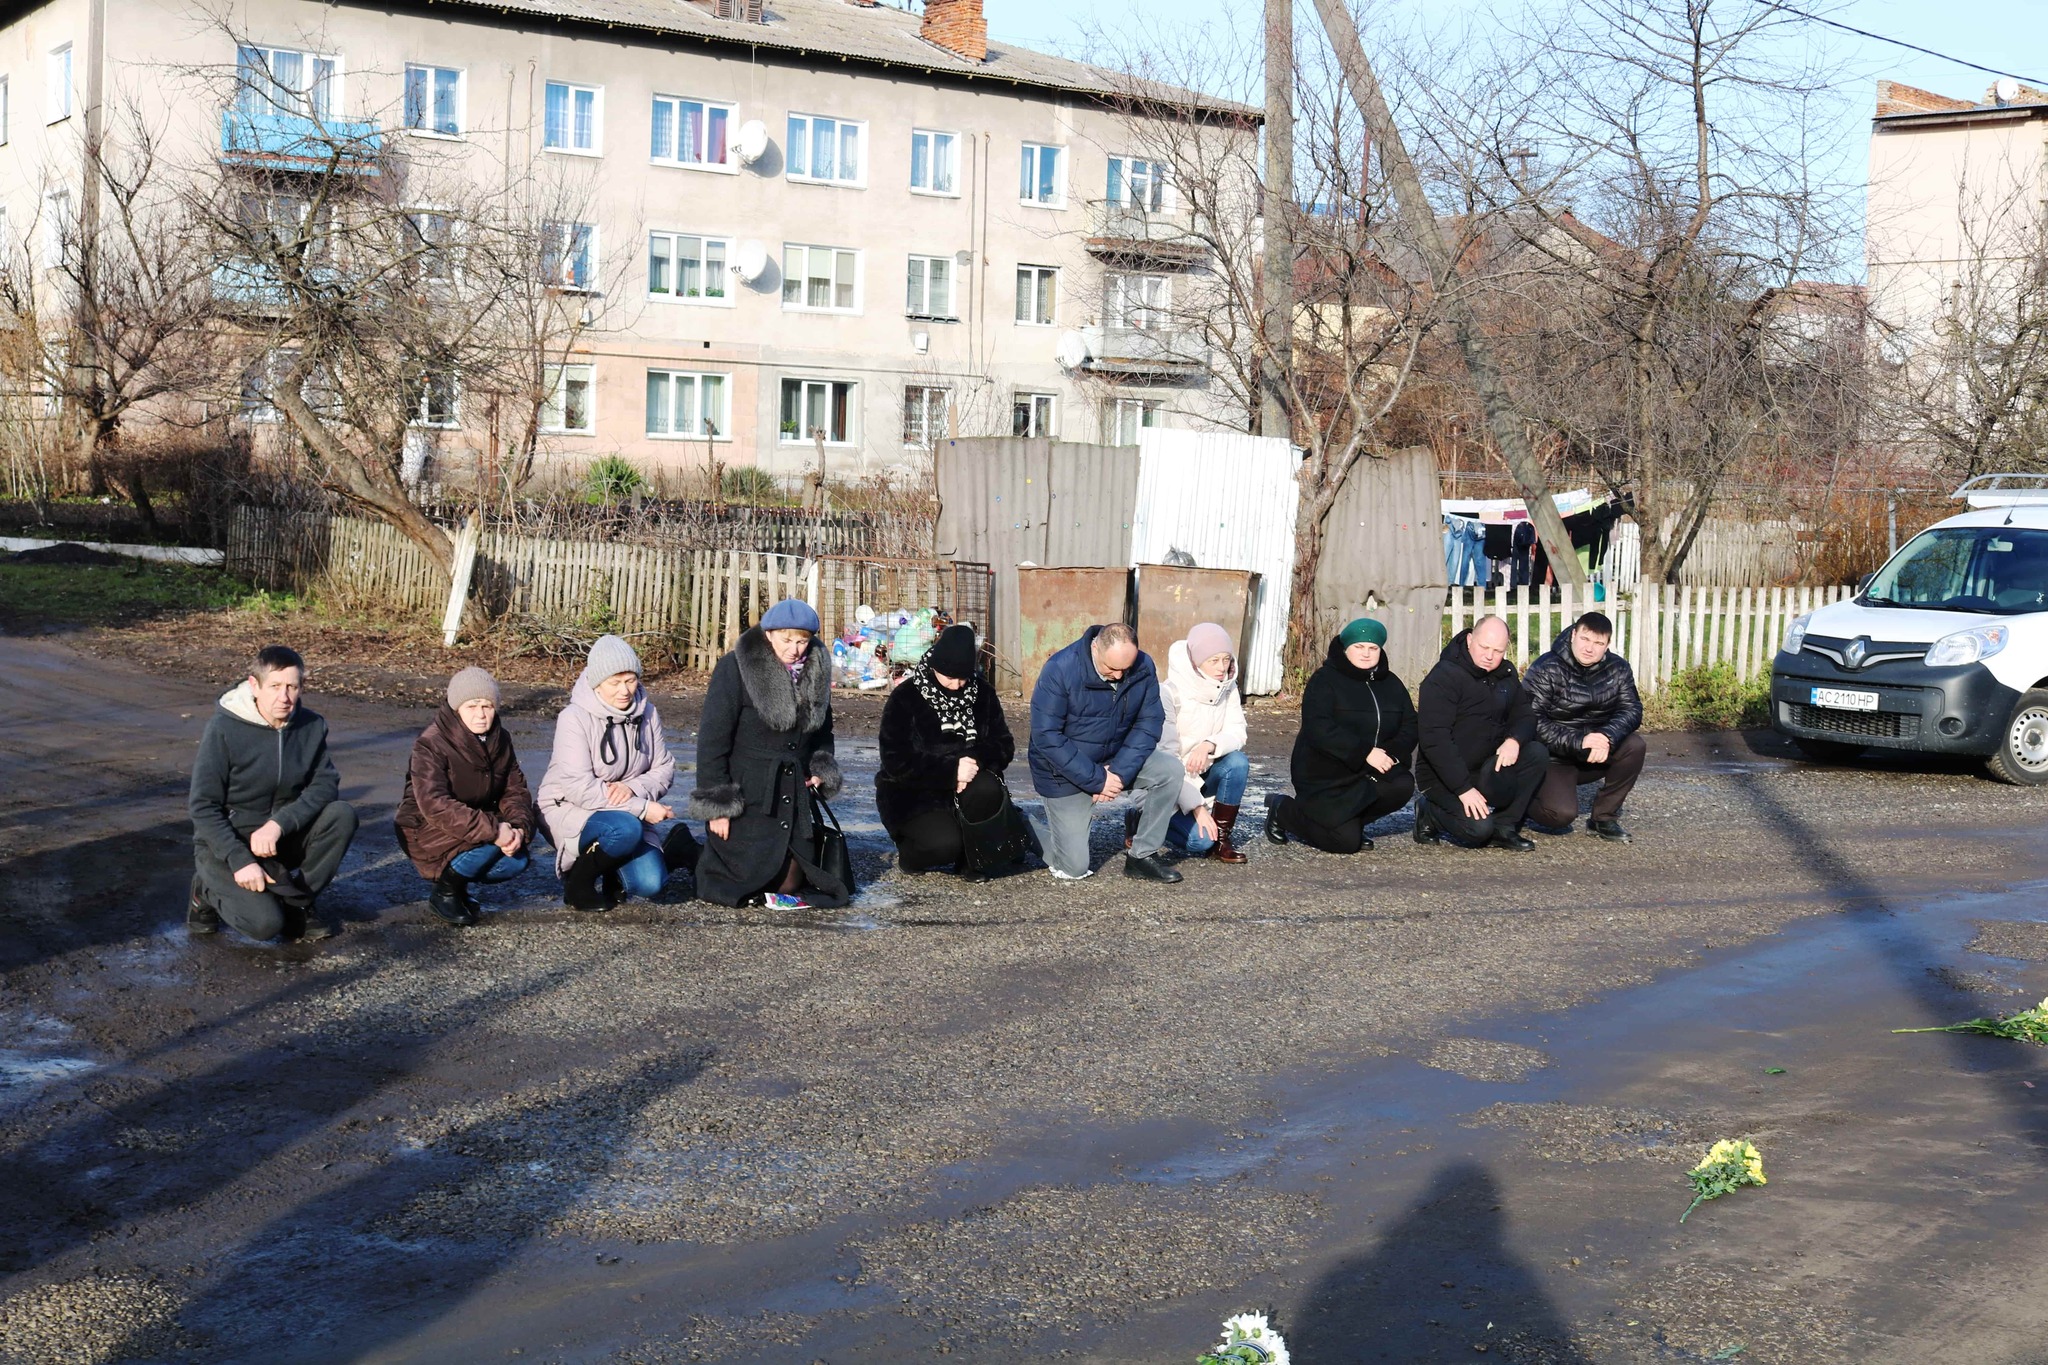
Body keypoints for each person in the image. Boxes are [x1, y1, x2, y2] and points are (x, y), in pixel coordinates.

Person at [187, 645, 358, 942]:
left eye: (292, 686)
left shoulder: (311, 726)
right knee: (265, 926)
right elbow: (203, 806)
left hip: (277, 837)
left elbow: (325, 785)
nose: (285, 697)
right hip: (227, 842)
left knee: (341, 815)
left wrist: (278, 824)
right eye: (275, 686)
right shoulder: (224, 728)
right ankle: (204, 891)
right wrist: (238, 859)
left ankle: (298, 903)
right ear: (255, 685)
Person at [691, 598, 851, 909]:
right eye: (786, 639)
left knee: (789, 885)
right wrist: (718, 806)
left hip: (792, 793)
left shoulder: (816, 667)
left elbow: (823, 730)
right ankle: (689, 850)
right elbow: (712, 740)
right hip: (748, 789)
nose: (794, 649)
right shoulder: (735, 667)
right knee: (741, 885)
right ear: (769, 634)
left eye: (802, 641)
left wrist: (820, 767)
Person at [536, 635, 696, 911]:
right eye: (615, 682)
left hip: (621, 810)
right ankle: (578, 884)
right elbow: (579, 788)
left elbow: (664, 767)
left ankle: (618, 866)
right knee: (624, 827)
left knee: (650, 884)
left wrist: (633, 787)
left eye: (631, 680)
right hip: (571, 808)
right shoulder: (573, 718)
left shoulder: (648, 713)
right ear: (597, 682)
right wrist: (643, 808)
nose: (625, 690)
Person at [1027, 621, 1184, 884]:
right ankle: (1023, 828)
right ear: (1095, 647)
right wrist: (1097, 779)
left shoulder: (1143, 667)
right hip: (1064, 770)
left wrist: (1119, 774)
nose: (1120, 676)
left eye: (1126, 668)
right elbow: (1047, 737)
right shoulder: (1060, 670)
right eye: (1112, 668)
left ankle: (1142, 856)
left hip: (1114, 760)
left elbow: (1149, 723)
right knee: (1074, 868)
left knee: (1169, 770)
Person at [876, 624, 1033, 878]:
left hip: (969, 787)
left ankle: (972, 861)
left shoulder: (983, 693)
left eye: (963, 678)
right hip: (917, 795)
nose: (956, 685)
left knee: (987, 787)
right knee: (943, 845)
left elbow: (1003, 744)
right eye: (949, 676)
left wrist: (974, 763)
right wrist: (951, 771)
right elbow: (896, 760)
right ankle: (912, 855)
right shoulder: (906, 697)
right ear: (934, 666)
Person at [394, 667, 538, 926]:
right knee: (486, 845)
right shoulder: (431, 743)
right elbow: (434, 804)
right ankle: (445, 892)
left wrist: (517, 828)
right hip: (426, 826)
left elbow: (514, 789)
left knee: (518, 860)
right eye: (472, 706)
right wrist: (495, 831)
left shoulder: (500, 739)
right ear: (456, 708)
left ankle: (459, 886)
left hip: (475, 820)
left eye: (488, 706)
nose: (481, 715)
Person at [1265, 618, 1417, 854]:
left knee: (1402, 784)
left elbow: (1409, 725)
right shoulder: (1324, 681)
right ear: (1346, 648)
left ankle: (1352, 822)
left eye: (1373, 648)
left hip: (1367, 773)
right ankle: (1283, 809)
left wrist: (1392, 755)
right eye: (1359, 647)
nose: (1366, 654)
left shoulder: (1392, 684)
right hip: (1326, 777)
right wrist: (1364, 752)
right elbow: (1319, 729)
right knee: (1345, 843)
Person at [1413, 615, 1550, 851]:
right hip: (1444, 776)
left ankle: (1505, 826)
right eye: (1484, 647)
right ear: (1469, 640)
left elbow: (1526, 715)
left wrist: (1514, 740)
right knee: (1477, 830)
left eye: (1497, 650)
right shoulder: (1443, 677)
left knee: (1536, 752)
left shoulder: (1505, 675)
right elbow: (1435, 740)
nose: (1489, 656)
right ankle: (1429, 812)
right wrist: (1463, 789)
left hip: (1486, 766)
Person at [1522, 610, 1645, 842]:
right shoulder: (1546, 668)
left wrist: (1607, 736)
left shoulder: (1618, 668)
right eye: (1585, 639)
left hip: (1595, 753)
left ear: (1607, 645)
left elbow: (1632, 710)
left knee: (1635, 745)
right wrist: (1580, 741)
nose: (1589, 648)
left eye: (1598, 643)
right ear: (1573, 636)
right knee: (1560, 815)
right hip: (1555, 758)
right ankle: (1518, 803)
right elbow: (1532, 721)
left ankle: (1603, 818)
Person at [1141, 622, 1251, 863]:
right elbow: (1166, 759)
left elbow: (1237, 731)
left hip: (1202, 774)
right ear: (1195, 661)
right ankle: (1140, 819)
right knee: (1199, 841)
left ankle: (1221, 841)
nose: (1222, 668)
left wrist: (1208, 744)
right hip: (1169, 785)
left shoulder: (1228, 687)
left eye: (1226, 659)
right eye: (1213, 661)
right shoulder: (1168, 694)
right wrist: (1198, 810)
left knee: (1237, 762)